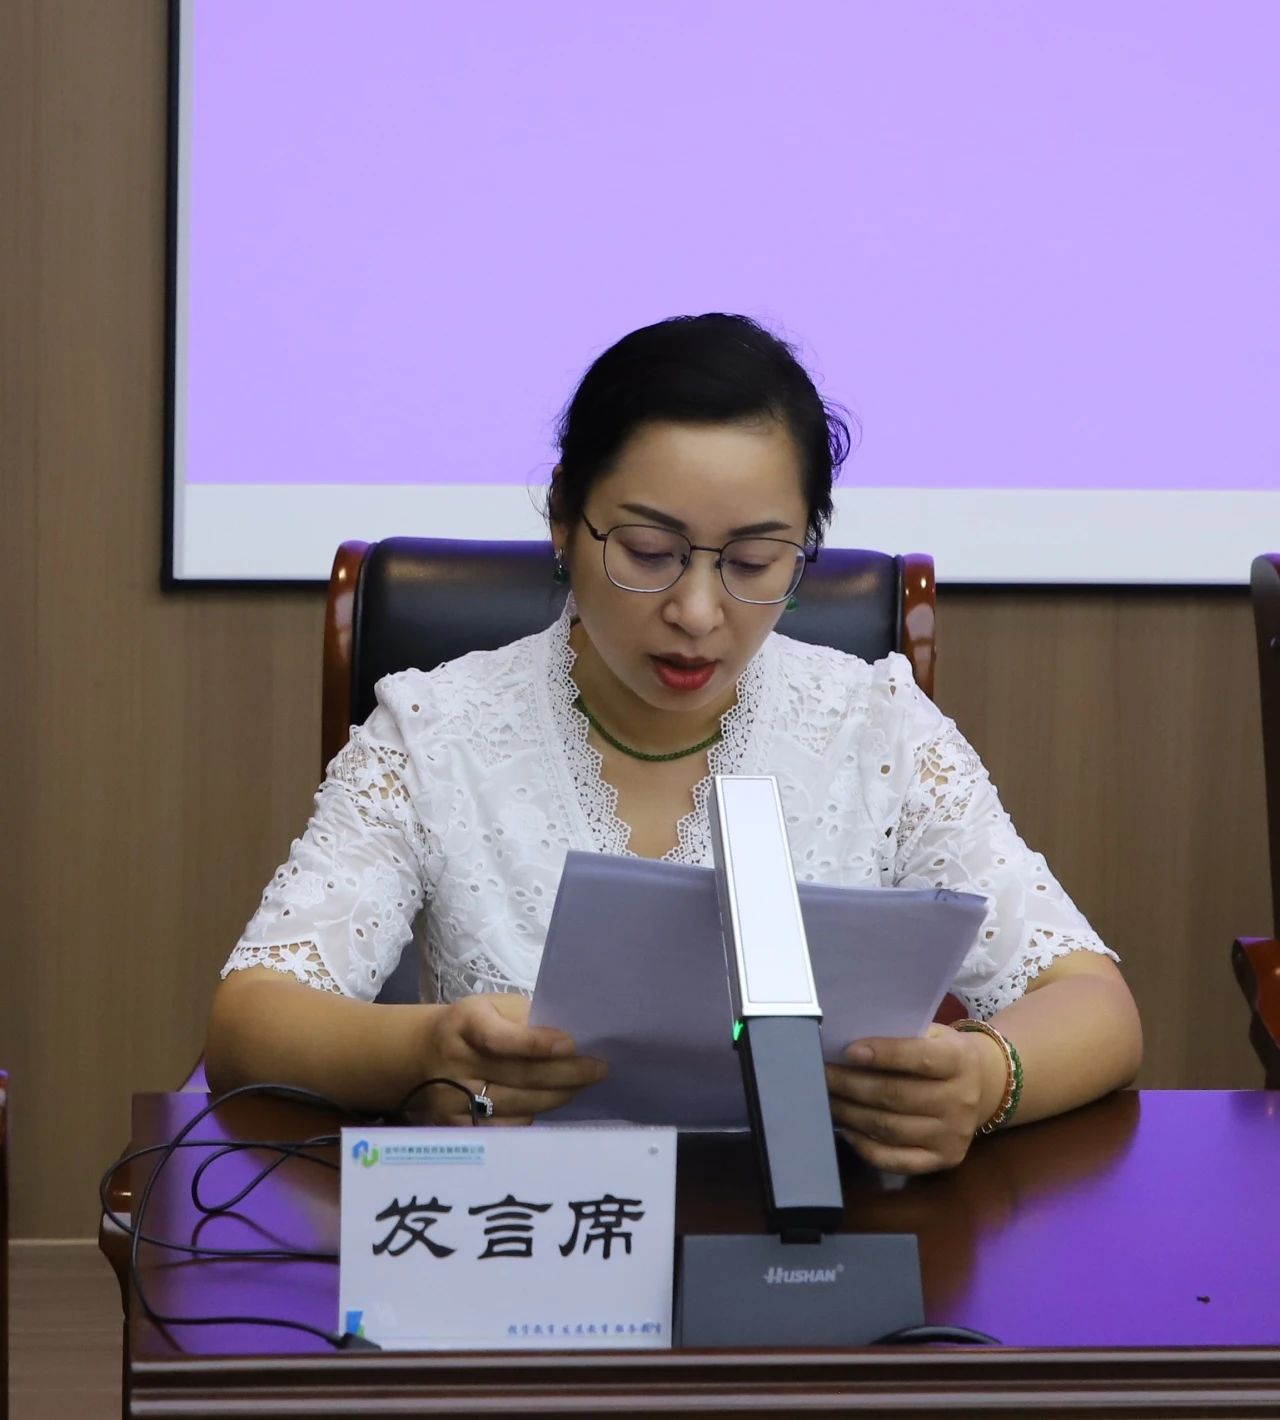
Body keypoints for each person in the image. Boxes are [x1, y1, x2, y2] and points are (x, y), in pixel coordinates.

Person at [208, 313, 1142, 1174]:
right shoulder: (434, 733)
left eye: (753, 562)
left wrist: (987, 1078)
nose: (697, 612)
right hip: (528, 1244)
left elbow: (1096, 1006)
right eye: (649, 554)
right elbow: (251, 1019)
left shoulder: (877, 726)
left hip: (820, 1249)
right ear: (564, 517)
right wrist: (422, 1051)